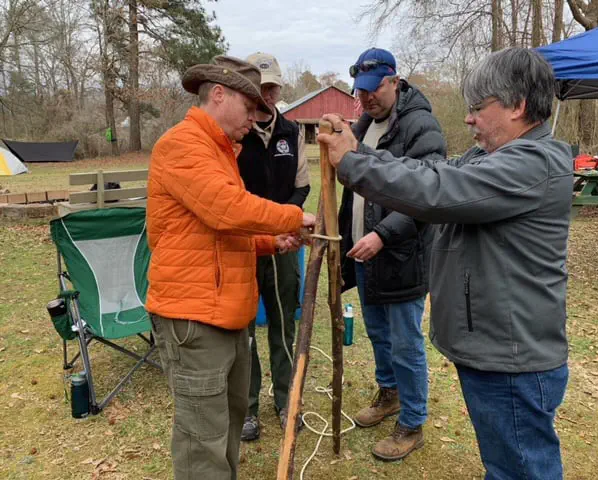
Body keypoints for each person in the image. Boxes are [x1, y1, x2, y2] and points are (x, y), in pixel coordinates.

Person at [319, 47, 572, 479]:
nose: (468, 119)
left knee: (522, 469)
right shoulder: (491, 158)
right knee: (506, 463)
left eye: (477, 108)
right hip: (493, 351)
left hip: (511, 359)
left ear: (518, 107)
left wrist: (354, 161)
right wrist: (362, 150)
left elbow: (438, 188)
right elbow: (427, 171)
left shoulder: (533, 164)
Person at [146, 55, 315, 480]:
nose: (256, 117)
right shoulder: (183, 145)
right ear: (218, 95)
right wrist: (292, 218)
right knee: (203, 437)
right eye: (249, 106)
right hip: (194, 314)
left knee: (230, 418)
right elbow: (225, 210)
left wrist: (267, 242)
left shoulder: (221, 150)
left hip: (226, 311)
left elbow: (215, 231)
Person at [338, 47, 446, 461]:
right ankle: (390, 394)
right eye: (359, 91)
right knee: (379, 333)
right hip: (367, 255)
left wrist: (383, 234)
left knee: (405, 342)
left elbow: (428, 195)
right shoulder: (364, 124)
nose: (365, 98)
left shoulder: (421, 126)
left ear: (394, 81)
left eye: (373, 89)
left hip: (401, 255)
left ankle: (413, 421)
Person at [236, 52, 310, 441]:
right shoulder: (235, 132)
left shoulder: (292, 131)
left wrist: (286, 223)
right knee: (243, 326)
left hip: (284, 246)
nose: (266, 93)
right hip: (244, 246)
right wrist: (261, 228)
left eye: (272, 86)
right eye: (260, 86)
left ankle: (285, 399)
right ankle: (246, 408)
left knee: (283, 324)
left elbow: (302, 186)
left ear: (280, 88)